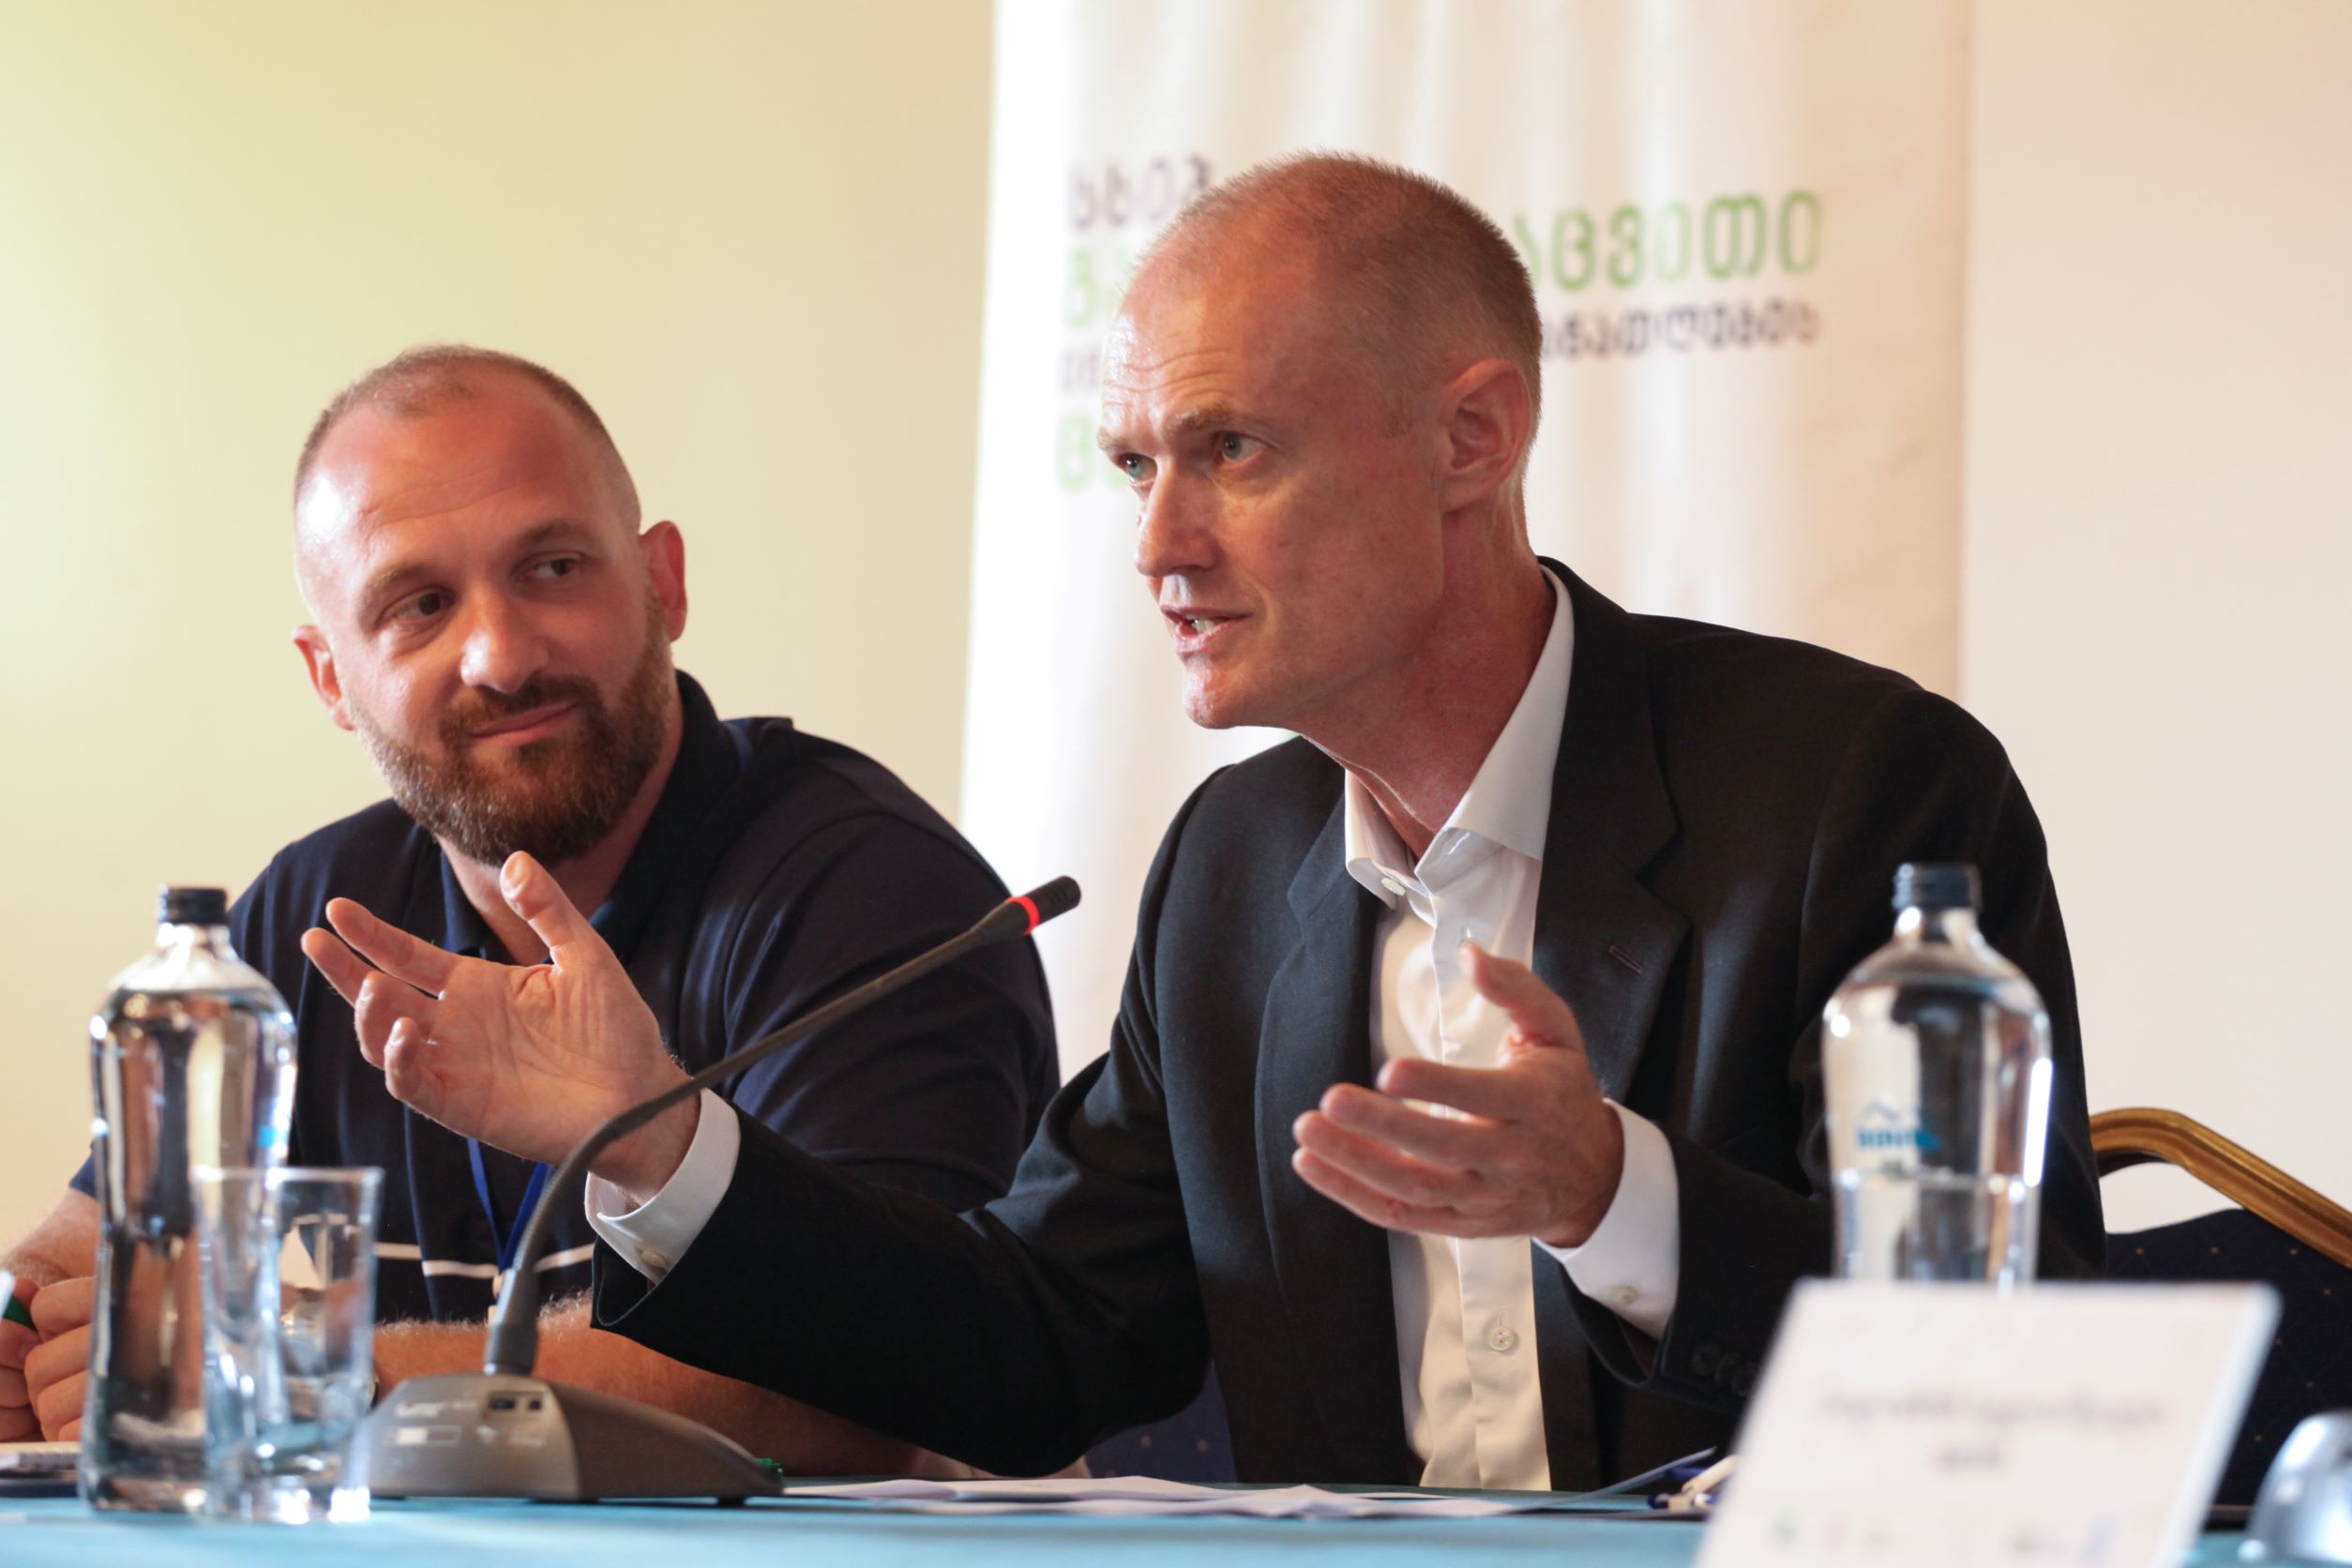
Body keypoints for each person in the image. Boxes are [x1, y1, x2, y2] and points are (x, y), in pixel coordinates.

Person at [302, 158, 2104, 1490]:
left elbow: (2008, 1373)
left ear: (1471, 436)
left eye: (1229, 450)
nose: (1158, 544)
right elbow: (1025, 1348)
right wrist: (653, 1141)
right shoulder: (1236, 872)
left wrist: (1608, 1194)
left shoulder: (1853, 795)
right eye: (1132, 467)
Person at [0, 347, 1058, 1470]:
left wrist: (306, 1373)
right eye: (419, 605)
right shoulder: (313, 920)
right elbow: (82, 1262)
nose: (501, 657)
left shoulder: (874, 898)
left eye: (553, 568)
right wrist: (22, 1336)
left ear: (662, 582)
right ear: (331, 679)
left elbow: (872, 1386)